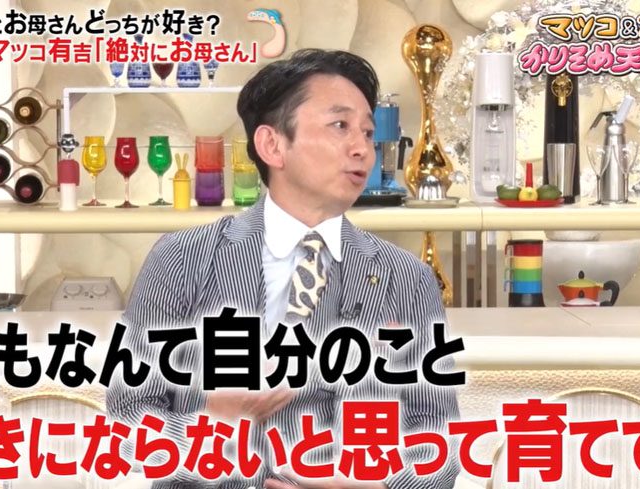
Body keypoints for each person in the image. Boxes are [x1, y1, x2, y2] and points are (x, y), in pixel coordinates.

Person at [106, 49, 460, 489]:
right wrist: (215, 424)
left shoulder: (407, 278)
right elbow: (126, 423)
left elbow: (439, 444)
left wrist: (372, 487)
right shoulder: (181, 258)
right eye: (340, 126)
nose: (362, 149)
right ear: (272, 145)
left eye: (368, 132)